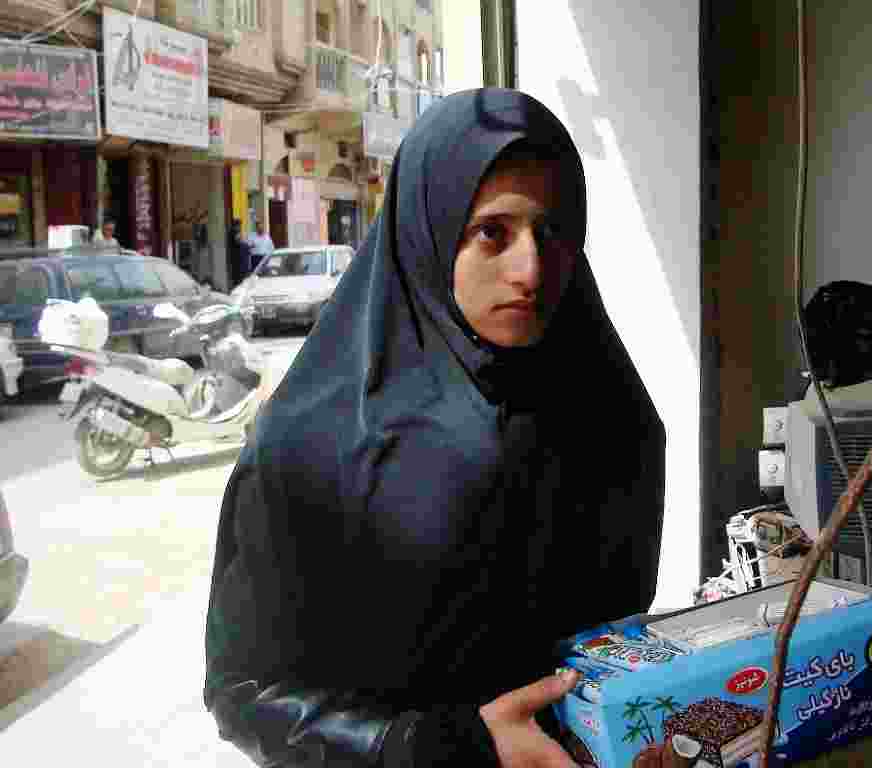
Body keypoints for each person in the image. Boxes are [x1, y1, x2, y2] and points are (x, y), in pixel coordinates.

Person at [203, 88, 666, 768]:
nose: (530, 269)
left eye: (554, 231)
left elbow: (610, 640)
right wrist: (440, 746)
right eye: (492, 233)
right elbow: (243, 690)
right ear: (429, 230)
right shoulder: (311, 448)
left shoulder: (610, 415)